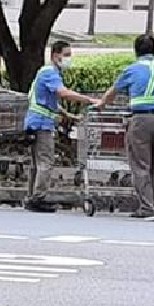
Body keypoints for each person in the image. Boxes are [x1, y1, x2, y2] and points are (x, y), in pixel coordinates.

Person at [101, 34, 154, 218]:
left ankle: (147, 207)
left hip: (142, 119)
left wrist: (100, 104)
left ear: (136, 51)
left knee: (141, 164)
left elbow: (113, 92)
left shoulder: (131, 69)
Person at [23, 41, 98, 213]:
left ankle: (31, 196)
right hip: (41, 123)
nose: (68, 58)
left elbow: (52, 102)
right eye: (66, 55)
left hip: (36, 121)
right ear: (55, 55)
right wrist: (88, 99)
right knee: (45, 162)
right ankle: (38, 198)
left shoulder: (46, 72)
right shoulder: (50, 73)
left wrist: (69, 116)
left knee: (36, 163)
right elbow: (63, 93)